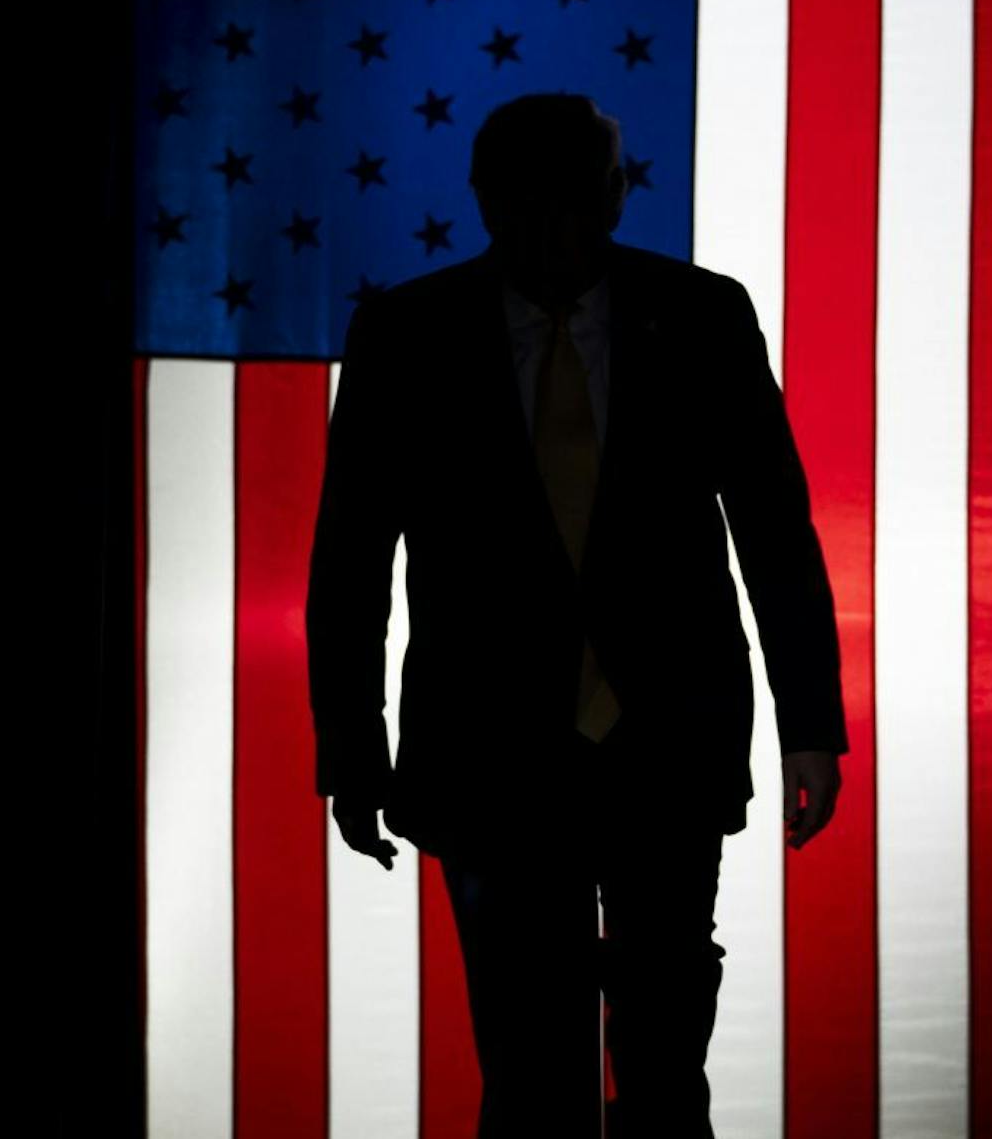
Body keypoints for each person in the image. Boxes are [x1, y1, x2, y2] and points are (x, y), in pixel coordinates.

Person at [305, 91, 849, 1138]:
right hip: (489, 758)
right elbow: (351, 554)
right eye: (527, 204)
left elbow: (774, 531)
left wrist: (810, 723)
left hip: (668, 745)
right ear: (482, 203)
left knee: (661, 1062)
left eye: (573, 201)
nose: (554, 229)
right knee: (529, 1072)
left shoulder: (702, 316)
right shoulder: (407, 334)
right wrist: (350, 745)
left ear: (614, 195)